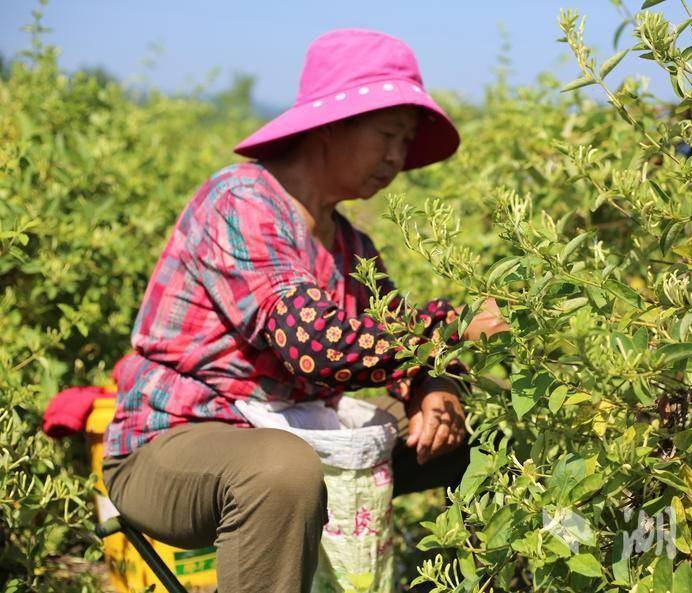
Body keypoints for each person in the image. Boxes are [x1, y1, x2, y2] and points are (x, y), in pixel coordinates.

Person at [101, 28, 509, 593]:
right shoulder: (242, 202)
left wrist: (434, 388)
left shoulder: (352, 246)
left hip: (297, 432)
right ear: (330, 127)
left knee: (484, 429)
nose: (397, 157)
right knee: (281, 469)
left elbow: (392, 348)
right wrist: (455, 327)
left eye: (406, 141)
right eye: (388, 134)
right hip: (177, 443)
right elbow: (316, 347)